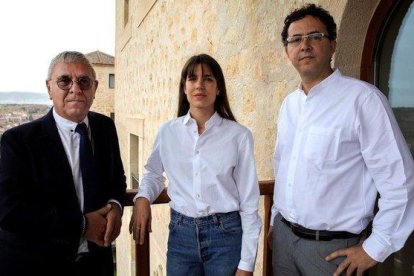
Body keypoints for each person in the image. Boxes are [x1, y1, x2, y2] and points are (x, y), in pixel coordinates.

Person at [268, 4, 414, 276]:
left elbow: (401, 183)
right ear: (288, 52)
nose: (305, 46)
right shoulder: (289, 106)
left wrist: (376, 247)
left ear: (333, 45)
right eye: (296, 40)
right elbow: (283, 166)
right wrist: (276, 221)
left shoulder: (364, 101)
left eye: (315, 37)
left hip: (332, 252)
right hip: (285, 242)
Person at [129, 54, 261, 276]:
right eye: (193, 78)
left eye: (208, 78)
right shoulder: (168, 132)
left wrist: (246, 264)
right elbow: (153, 173)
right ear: (184, 87)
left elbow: (249, 202)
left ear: (218, 88)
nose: (200, 84)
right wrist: (142, 198)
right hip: (181, 236)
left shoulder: (239, 136)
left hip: (226, 237)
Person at [0, 51, 127, 276]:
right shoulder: (18, 141)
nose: (75, 88)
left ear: (95, 88)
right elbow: (9, 210)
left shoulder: (105, 127)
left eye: (84, 81)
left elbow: (117, 179)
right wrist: (82, 225)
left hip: (96, 263)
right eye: (64, 80)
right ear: (49, 88)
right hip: (40, 264)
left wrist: (116, 204)